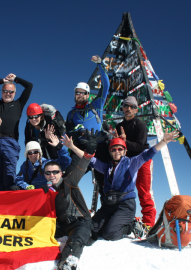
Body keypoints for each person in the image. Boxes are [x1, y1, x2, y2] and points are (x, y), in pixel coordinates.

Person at [63, 129, 179, 242]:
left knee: (110, 234)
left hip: (125, 206)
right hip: (108, 205)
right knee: (92, 230)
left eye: (120, 149)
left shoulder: (132, 163)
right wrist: (72, 147)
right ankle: (111, 222)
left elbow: (148, 154)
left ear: (124, 151)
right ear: (110, 152)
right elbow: (90, 160)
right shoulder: (107, 166)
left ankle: (131, 225)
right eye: (114, 149)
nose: (117, 151)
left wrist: (164, 141)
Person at [41, 132, 101, 270]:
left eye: (55, 172)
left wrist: (89, 151)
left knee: (77, 240)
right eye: (48, 173)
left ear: (61, 173)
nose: (52, 175)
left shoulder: (69, 181)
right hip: (63, 225)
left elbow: (82, 166)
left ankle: (66, 265)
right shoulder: (46, 192)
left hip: (80, 221)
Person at [65, 55, 110, 207]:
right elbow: (69, 133)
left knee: (104, 181)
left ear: (87, 94)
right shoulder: (72, 114)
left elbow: (106, 85)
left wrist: (100, 65)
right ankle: (67, 208)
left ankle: (106, 214)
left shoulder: (96, 105)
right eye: (77, 93)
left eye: (82, 93)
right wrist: (77, 133)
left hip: (100, 147)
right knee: (70, 178)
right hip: (81, 150)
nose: (79, 95)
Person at [0, 73, 33, 191]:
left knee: (9, 176)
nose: (8, 94)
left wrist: (15, 79)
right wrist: (2, 80)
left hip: (11, 143)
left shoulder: (19, 104)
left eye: (11, 92)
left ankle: (11, 203)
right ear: (2, 92)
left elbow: (29, 86)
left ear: (15, 93)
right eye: (5, 91)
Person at [115, 96, 156, 227]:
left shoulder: (140, 125)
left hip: (142, 160)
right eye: (126, 106)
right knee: (121, 191)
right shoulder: (119, 126)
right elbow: (117, 146)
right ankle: (119, 220)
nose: (128, 109)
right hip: (126, 161)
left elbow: (140, 146)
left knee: (144, 191)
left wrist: (124, 141)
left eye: (132, 107)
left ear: (136, 110)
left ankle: (149, 223)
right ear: (122, 107)